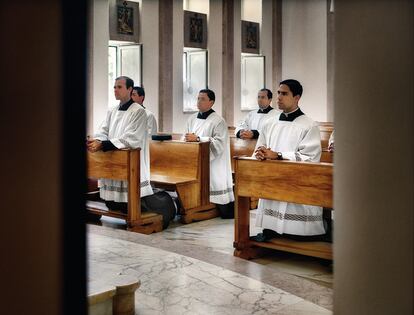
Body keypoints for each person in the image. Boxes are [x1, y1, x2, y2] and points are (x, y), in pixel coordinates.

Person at [252, 79, 326, 241]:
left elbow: (309, 157)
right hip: (272, 178)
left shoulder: (309, 125)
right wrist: (260, 154)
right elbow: (260, 147)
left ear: (297, 97)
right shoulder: (269, 122)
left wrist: (279, 155)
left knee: (297, 230)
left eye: (284, 94)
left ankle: (299, 233)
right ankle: (271, 229)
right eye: (278, 93)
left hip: (296, 181)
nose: (278, 97)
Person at [87, 76, 153, 213]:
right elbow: (103, 130)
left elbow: (132, 138)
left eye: (119, 87)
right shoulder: (112, 110)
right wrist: (97, 141)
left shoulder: (138, 111)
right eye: (114, 87)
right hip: (113, 159)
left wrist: (103, 144)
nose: (115, 90)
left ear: (130, 89)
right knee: (112, 204)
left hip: (129, 161)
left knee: (128, 204)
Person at [184, 89, 235, 218]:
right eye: (198, 98)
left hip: (214, 163)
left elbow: (219, 143)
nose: (199, 102)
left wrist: (198, 139)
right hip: (195, 159)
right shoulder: (191, 119)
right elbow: (186, 137)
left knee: (215, 187)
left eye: (203, 99)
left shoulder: (218, 121)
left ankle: (219, 207)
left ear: (211, 102)